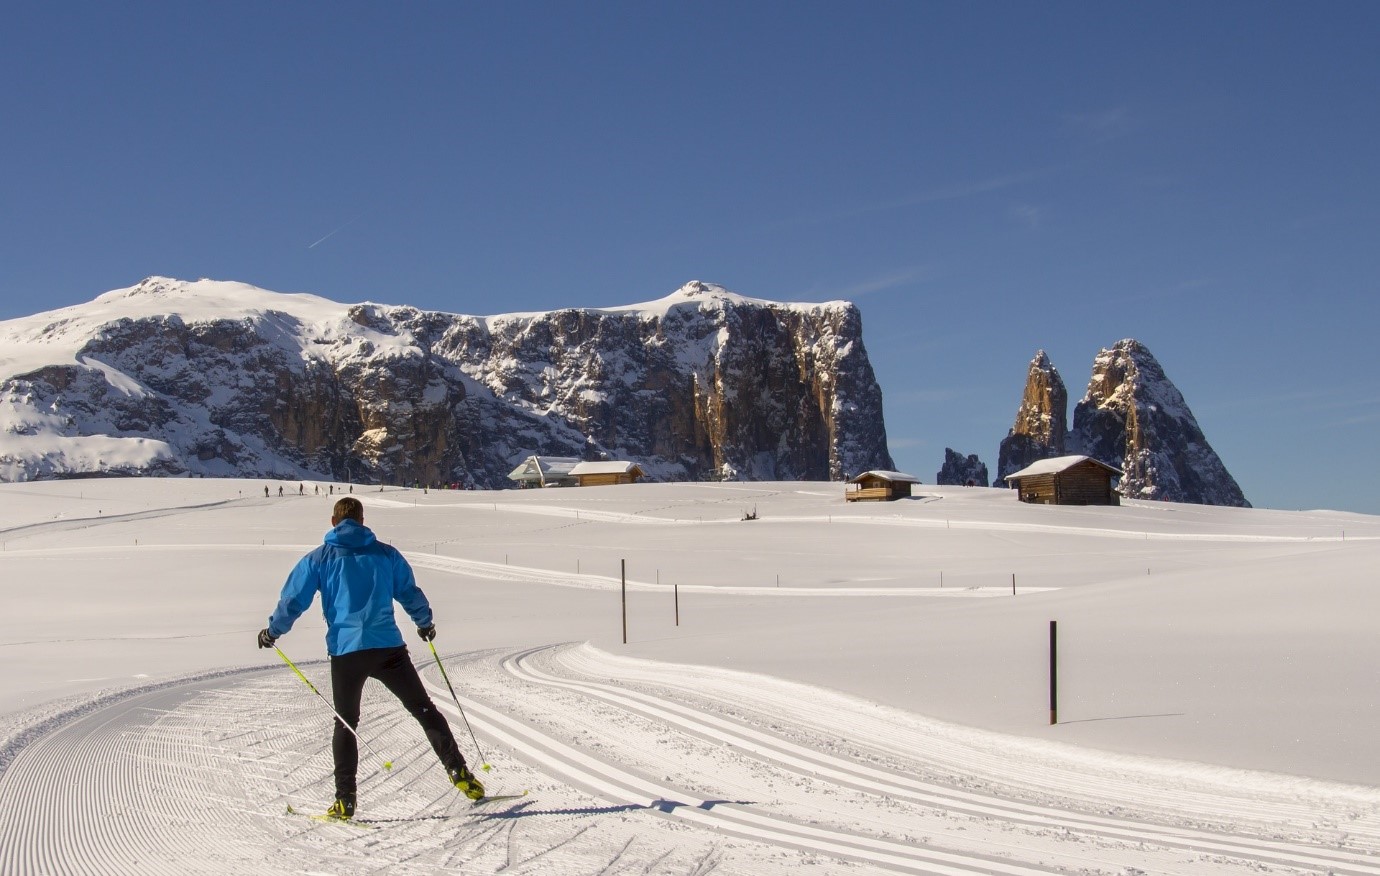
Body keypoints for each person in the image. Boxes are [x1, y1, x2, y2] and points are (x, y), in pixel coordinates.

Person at [257, 497, 483, 820]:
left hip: (346, 653)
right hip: (388, 649)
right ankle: (458, 770)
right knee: (423, 710)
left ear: (333, 521)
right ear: (362, 520)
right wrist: (425, 622)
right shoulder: (385, 554)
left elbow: (294, 600)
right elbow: (409, 591)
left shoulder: (319, 559)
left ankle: (345, 800)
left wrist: (272, 631)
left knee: (346, 723)